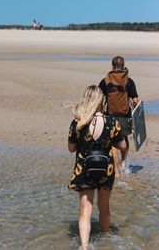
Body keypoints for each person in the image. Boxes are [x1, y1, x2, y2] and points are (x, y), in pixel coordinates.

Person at [68, 85, 127, 250]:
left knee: (85, 209)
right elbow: (122, 145)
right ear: (101, 101)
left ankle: (85, 246)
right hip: (106, 169)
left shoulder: (78, 122)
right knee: (104, 207)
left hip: (84, 168)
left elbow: (71, 148)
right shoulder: (112, 122)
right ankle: (106, 238)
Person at [99, 56, 139, 175]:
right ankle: (124, 163)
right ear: (123, 66)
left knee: (113, 144)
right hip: (125, 116)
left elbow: (99, 99)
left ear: (112, 66)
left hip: (110, 116)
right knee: (124, 139)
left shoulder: (105, 81)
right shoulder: (129, 81)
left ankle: (116, 172)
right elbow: (136, 101)